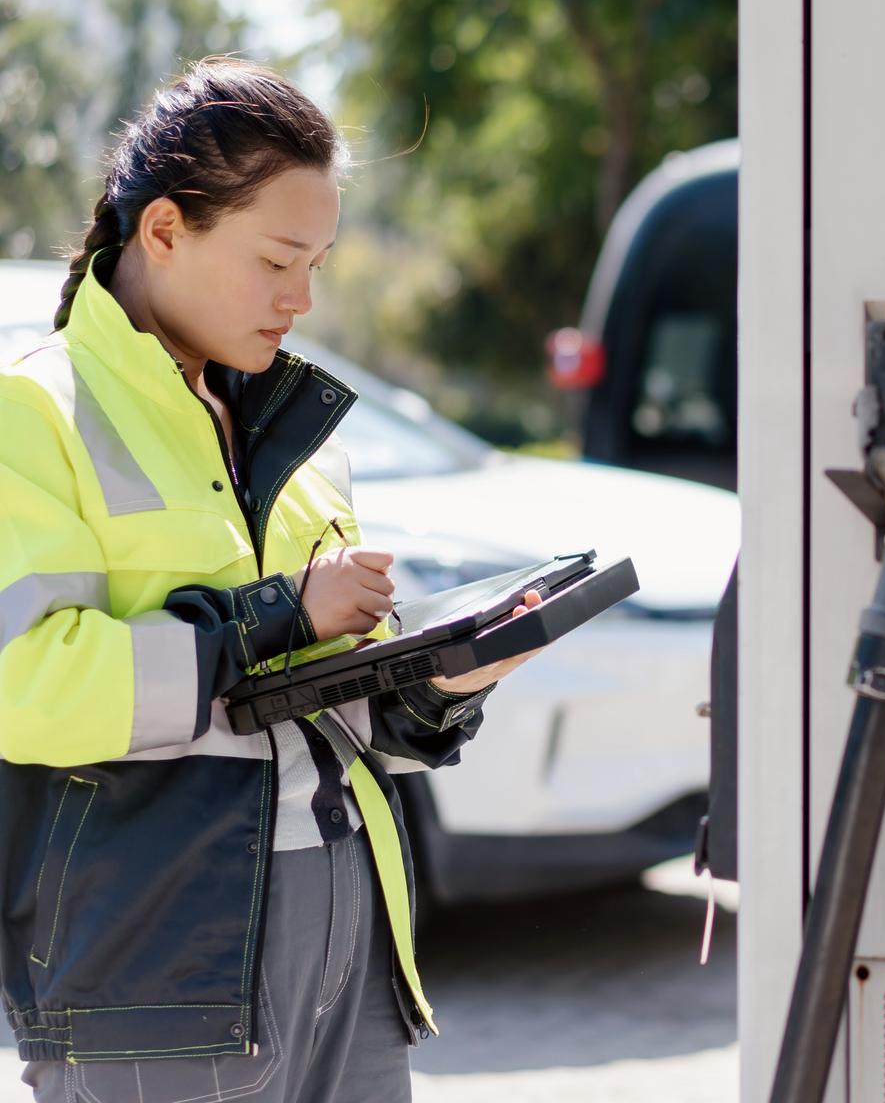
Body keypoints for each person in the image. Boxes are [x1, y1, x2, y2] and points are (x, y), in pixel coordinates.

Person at [0, 58, 542, 1103]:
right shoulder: (32, 418)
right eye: (277, 260)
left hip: (351, 944)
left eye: (319, 264)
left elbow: (321, 707)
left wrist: (442, 686)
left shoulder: (291, 435)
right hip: (157, 964)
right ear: (163, 230)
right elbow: (30, 688)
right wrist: (279, 611)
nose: (300, 299)